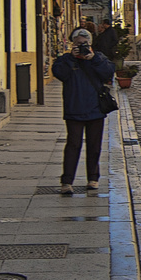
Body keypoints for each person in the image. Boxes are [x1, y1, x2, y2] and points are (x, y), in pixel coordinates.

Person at [49, 27, 115, 194]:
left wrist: (93, 59)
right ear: (73, 44)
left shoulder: (98, 58)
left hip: (95, 109)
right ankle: (67, 181)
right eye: (78, 44)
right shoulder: (66, 60)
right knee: (73, 145)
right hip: (74, 108)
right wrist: (72, 58)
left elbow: (108, 73)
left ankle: (93, 179)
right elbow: (59, 73)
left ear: (90, 44)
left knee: (94, 146)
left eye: (85, 43)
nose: (82, 46)